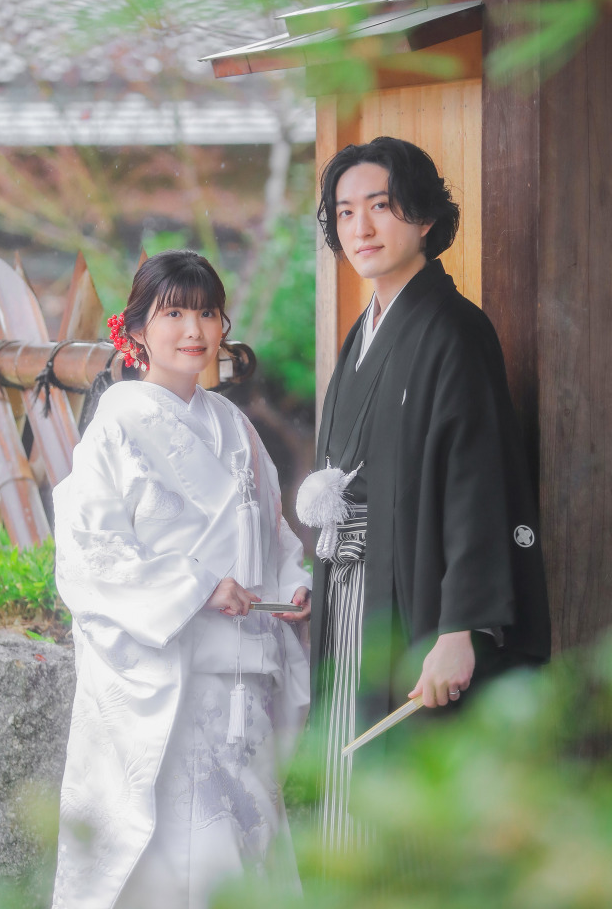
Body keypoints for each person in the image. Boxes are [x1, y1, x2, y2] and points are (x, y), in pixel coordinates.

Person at [297, 137, 550, 851]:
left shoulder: (452, 330)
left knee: (401, 812)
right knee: (347, 790)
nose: (361, 229)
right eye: (345, 213)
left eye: (381, 207)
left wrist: (460, 627)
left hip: (417, 601)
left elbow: (480, 485)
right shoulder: (365, 330)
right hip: (357, 592)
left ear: (426, 219)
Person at [52, 250, 312, 909]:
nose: (194, 330)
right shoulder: (113, 428)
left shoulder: (236, 429)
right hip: (172, 686)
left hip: (241, 688)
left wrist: (293, 580)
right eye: (173, 313)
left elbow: (273, 535)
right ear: (135, 331)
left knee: (247, 854)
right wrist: (198, 585)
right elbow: (91, 557)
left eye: (207, 312)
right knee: (178, 864)